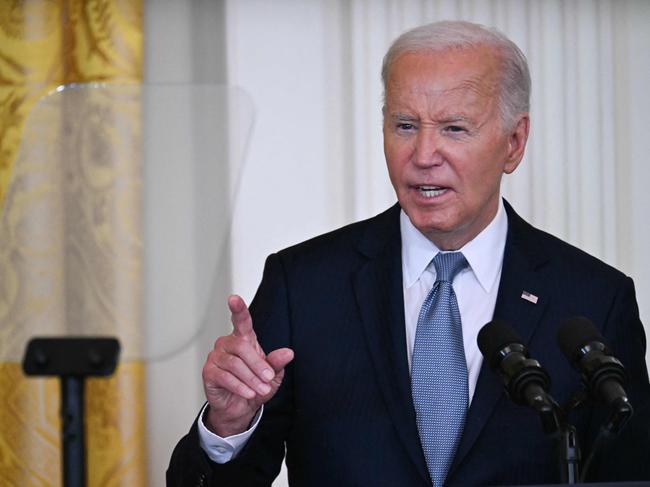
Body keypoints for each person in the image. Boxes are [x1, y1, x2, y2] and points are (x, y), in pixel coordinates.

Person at [167, 20, 650, 486]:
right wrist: (227, 428)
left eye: (454, 128)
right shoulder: (304, 285)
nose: (422, 155)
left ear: (514, 142)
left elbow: (628, 472)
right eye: (404, 125)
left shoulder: (594, 299)